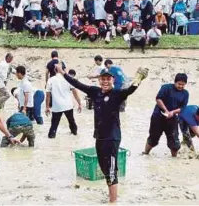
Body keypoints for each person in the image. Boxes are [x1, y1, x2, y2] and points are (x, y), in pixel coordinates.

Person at [55, 64, 148, 203]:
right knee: (104, 168)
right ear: (99, 80)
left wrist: (139, 78)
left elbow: (130, 90)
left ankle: (113, 202)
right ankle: (113, 196)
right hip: (99, 137)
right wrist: (63, 73)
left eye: (108, 79)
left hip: (112, 138)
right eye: (103, 79)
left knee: (111, 171)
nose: (105, 82)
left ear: (113, 80)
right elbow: (78, 84)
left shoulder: (117, 94)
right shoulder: (95, 92)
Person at [143, 73, 189, 157]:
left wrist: (173, 112)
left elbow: (183, 107)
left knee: (174, 141)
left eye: (183, 85)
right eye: (179, 84)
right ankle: (145, 153)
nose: (181, 86)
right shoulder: (166, 88)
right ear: (175, 82)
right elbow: (158, 99)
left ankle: (174, 158)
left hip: (172, 118)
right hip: (158, 116)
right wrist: (166, 111)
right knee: (153, 138)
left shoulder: (185, 93)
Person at [46, 64, 82, 138]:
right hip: (68, 105)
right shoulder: (68, 79)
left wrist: (47, 107)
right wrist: (79, 103)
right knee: (71, 122)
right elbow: (75, 92)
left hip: (57, 106)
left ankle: (51, 138)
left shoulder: (50, 80)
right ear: (62, 70)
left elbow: (48, 95)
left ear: (54, 70)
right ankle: (75, 136)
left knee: (54, 125)